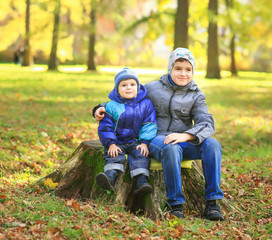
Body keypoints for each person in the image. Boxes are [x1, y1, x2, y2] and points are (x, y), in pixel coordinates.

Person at [93, 48, 224, 221]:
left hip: (185, 139)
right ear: (170, 68)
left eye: (188, 69)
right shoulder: (153, 88)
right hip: (157, 139)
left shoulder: (196, 95)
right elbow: (128, 96)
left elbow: (206, 123)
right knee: (171, 148)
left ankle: (212, 203)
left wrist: (187, 135)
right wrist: (99, 108)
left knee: (213, 144)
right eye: (178, 68)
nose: (183, 73)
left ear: (193, 71)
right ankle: (175, 204)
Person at [96, 67, 158, 197]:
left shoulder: (146, 104)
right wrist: (111, 144)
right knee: (114, 155)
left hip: (136, 141)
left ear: (138, 86)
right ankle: (109, 178)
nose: (129, 88)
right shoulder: (111, 105)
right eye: (124, 85)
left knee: (140, 155)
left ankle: (141, 181)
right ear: (117, 89)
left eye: (132, 84)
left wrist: (144, 142)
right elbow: (106, 126)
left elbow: (149, 123)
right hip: (117, 141)